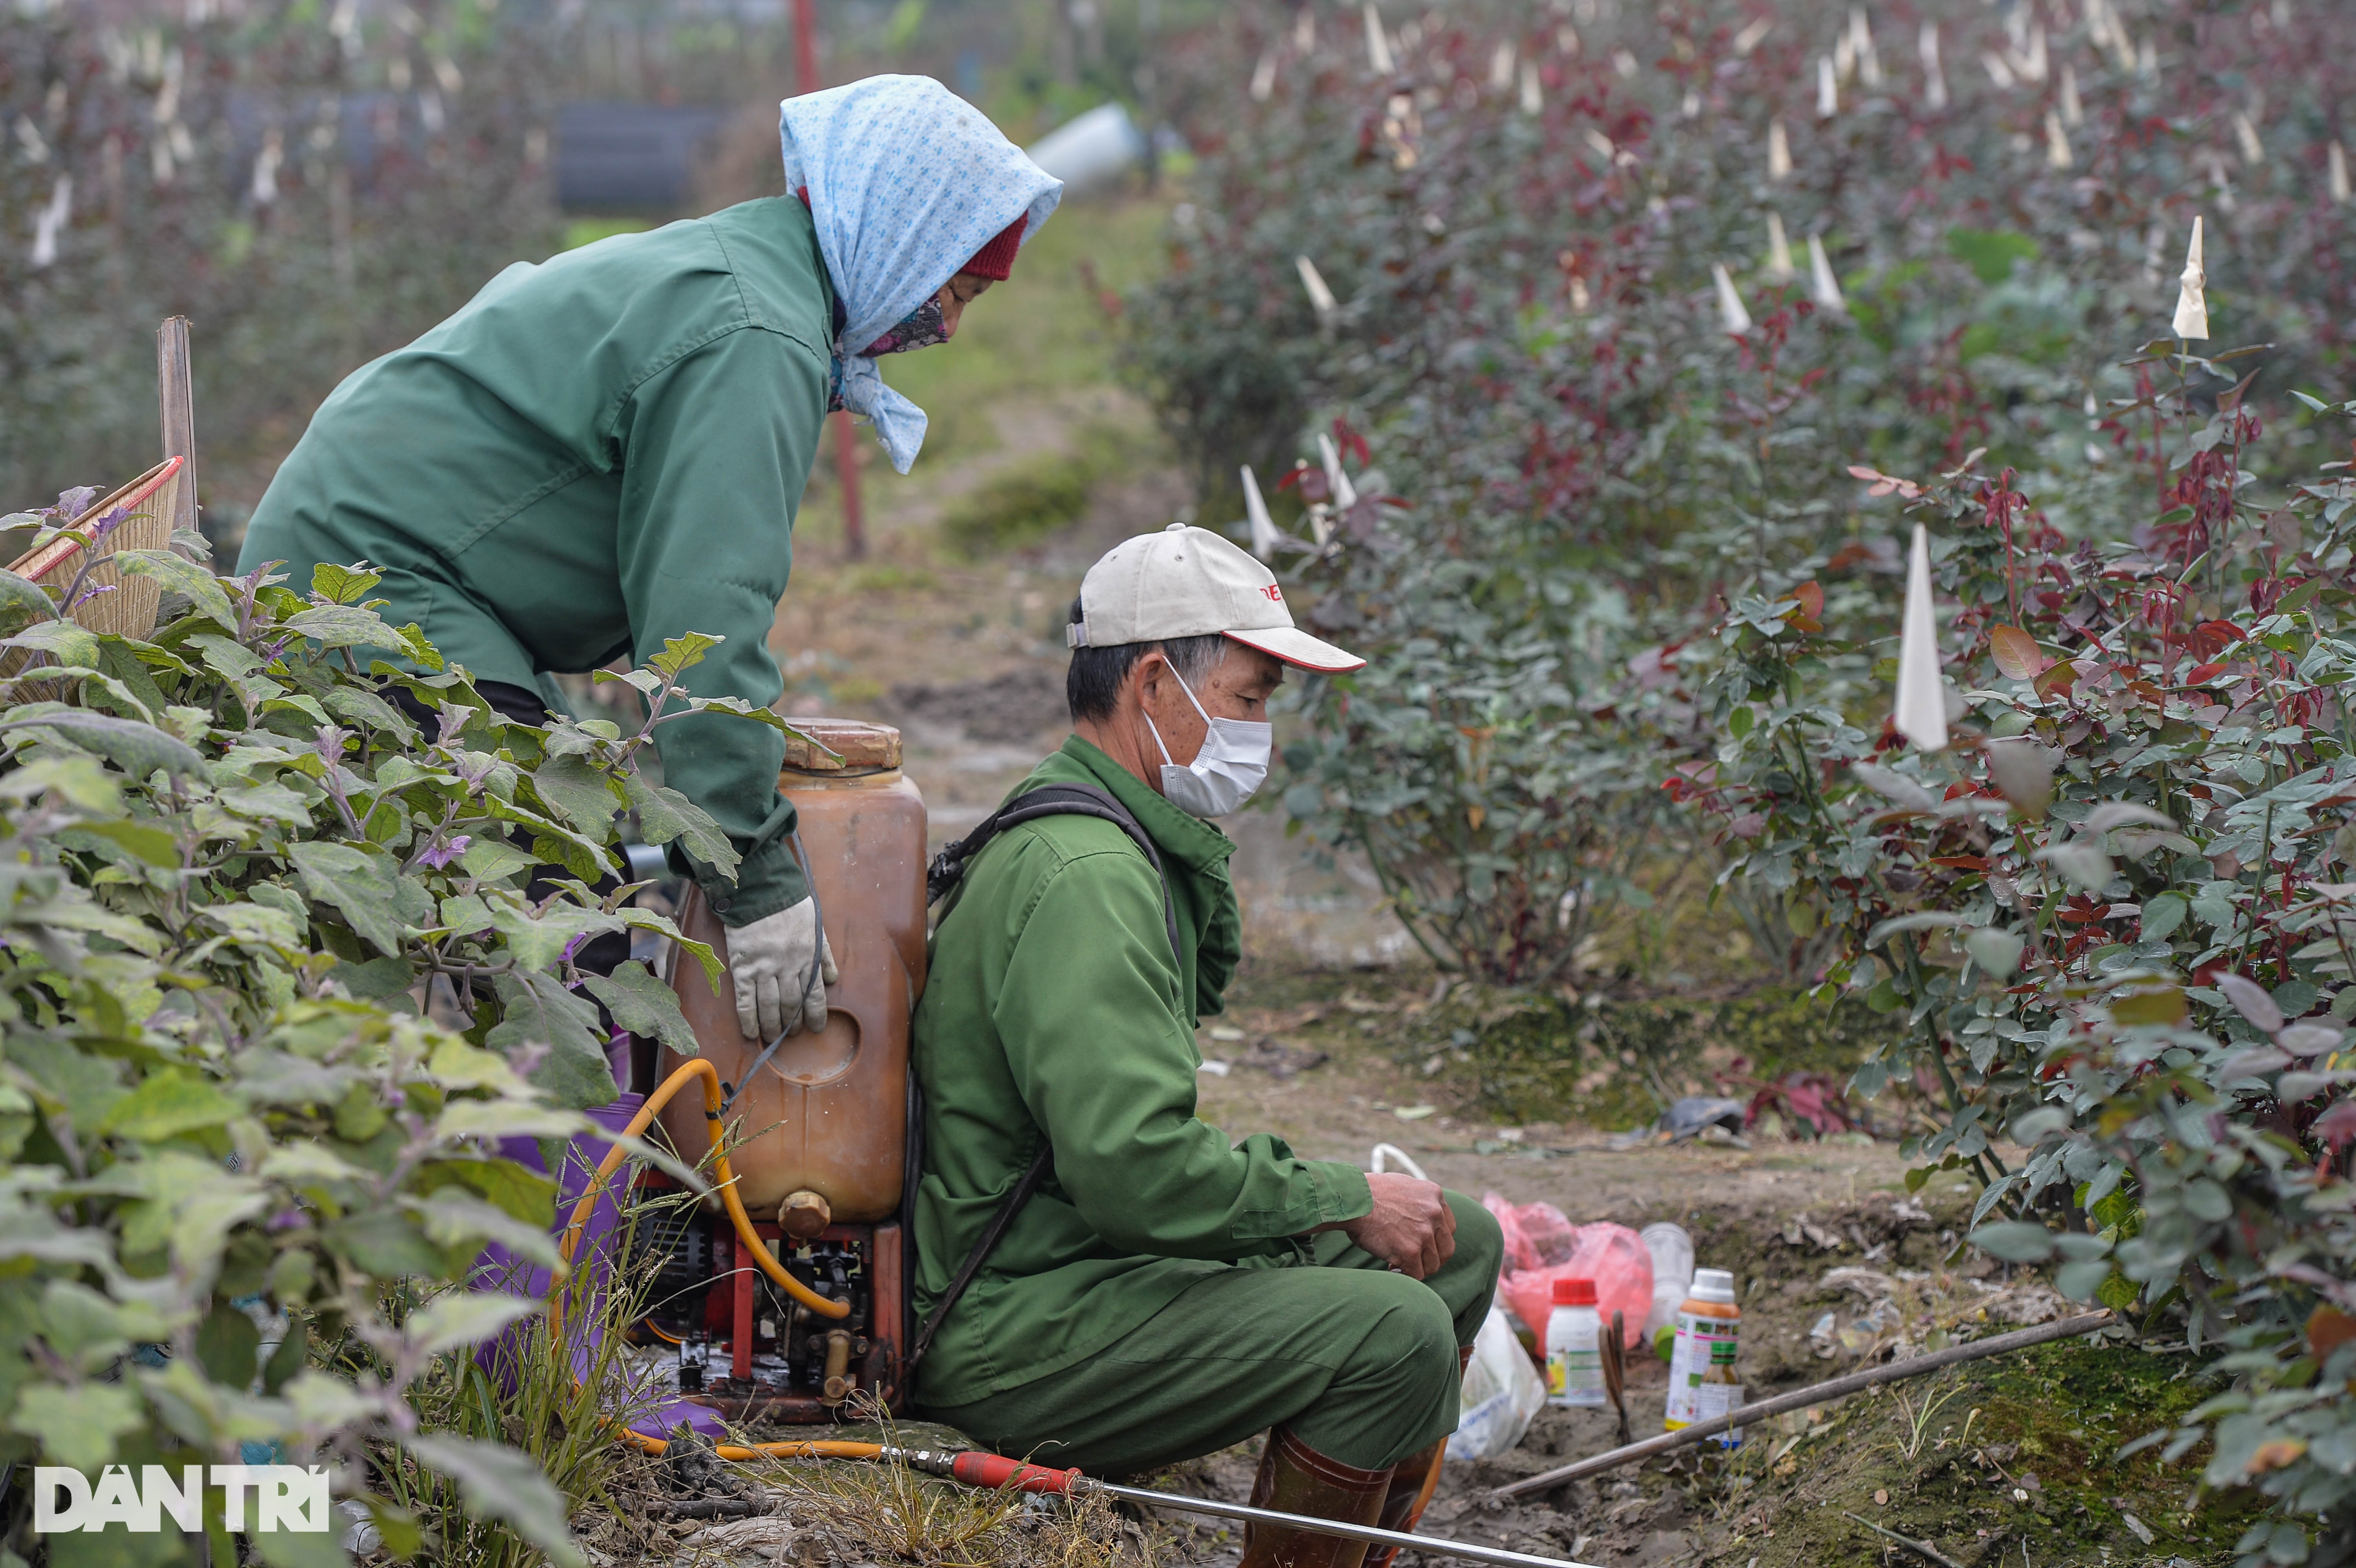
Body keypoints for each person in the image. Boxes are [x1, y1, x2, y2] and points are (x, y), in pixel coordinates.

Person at [237, 77, 1059, 1053]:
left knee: (552, 883)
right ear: (901, 236)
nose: (950, 326)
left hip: (389, 557)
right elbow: (704, 617)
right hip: (371, 575)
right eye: (955, 288)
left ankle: (568, 1166)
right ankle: (588, 1194)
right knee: (559, 923)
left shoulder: (750, 274)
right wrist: (754, 877)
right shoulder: (757, 334)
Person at [910, 523, 1504, 1568]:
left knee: (1457, 1241)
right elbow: (1137, 1174)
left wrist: (1349, 1203)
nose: (1262, 731)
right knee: (1395, 1334)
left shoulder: (1116, 839)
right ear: (1154, 682)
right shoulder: (1085, 876)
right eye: (1250, 697)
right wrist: (1345, 1195)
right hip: (1011, 1324)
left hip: (1085, 1263)